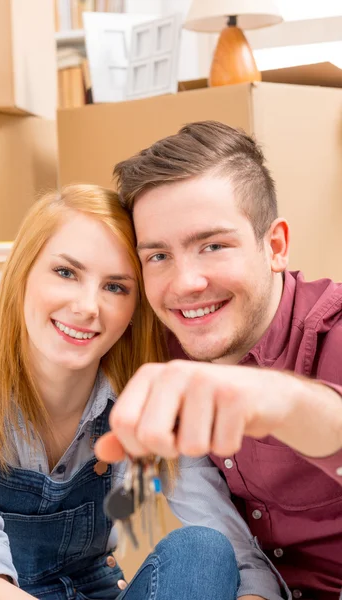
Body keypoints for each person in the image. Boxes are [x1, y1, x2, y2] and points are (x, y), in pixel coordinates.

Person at [0, 184, 242, 600]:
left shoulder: (144, 394)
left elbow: (222, 535)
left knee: (204, 551)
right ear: (22, 273)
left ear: (135, 310)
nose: (87, 307)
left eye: (115, 287)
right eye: (66, 273)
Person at [95, 121, 342, 600]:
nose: (186, 283)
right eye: (159, 256)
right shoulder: (158, 343)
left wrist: (283, 400)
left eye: (213, 246)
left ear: (274, 247)